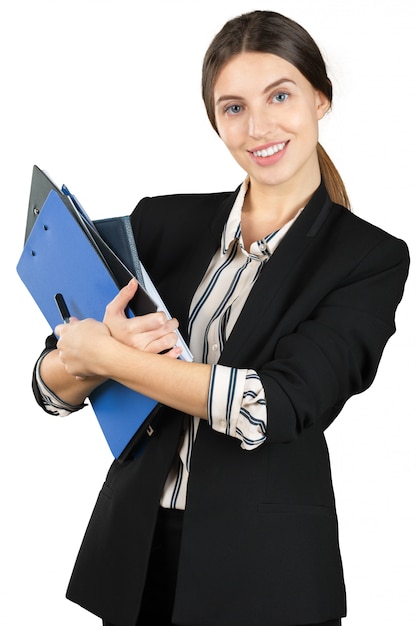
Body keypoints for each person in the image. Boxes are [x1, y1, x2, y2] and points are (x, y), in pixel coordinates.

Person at [32, 10, 409, 626]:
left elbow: (274, 405)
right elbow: (50, 386)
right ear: (215, 121)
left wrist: (113, 359)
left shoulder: (369, 258)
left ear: (320, 97)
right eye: (233, 107)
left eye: (279, 95)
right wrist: (88, 351)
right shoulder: (160, 223)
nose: (258, 126)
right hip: (136, 559)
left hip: (266, 574)